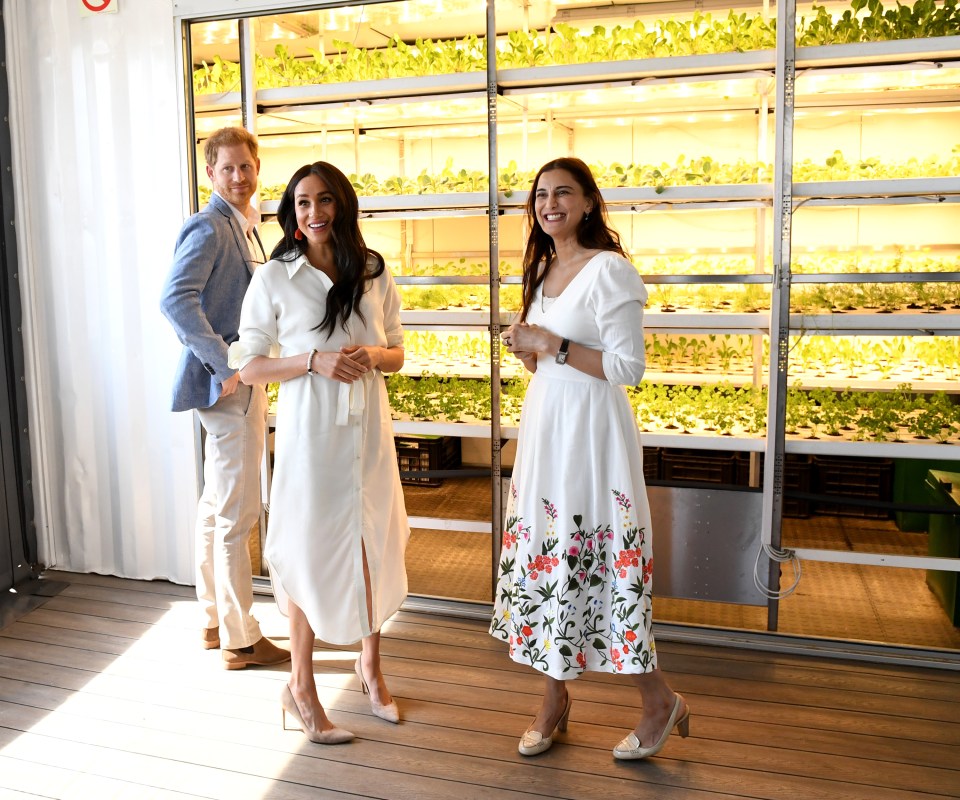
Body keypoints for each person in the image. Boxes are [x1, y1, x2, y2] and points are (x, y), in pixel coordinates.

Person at [489, 157, 690, 760]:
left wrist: (551, 343)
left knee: (597, 558)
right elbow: (553, 355)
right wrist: (529, 350)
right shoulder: (544, 266)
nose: (550, 203)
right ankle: (554, 698)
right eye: (541, 195)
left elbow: (627, 368)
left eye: (563, 193)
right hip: (548, 427)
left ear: (588, 202)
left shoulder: (611, 271)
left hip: (592, 436)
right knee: (549, 558)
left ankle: (659, 702)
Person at [228, 161, 409, 744]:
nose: (313, 214)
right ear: (291, 211)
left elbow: (397, 350)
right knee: (308, 549)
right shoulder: (275, 277)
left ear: (342, 204)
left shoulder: (373, 270)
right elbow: (249, 365)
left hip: (368, 432)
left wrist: (369, 357)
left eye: (324, 201)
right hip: (311, 436)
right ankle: (301, 688)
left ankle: (371, 671)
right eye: (302, 203)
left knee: (372, 542)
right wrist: (313, 361)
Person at [160, 127, 289, 671]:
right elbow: (175, 299)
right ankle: (241, 638)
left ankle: (213, 621)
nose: (239, 177)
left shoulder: (244, 227)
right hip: (230, 387)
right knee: (236, 511)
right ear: (209, 174)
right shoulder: (211, 226)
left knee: (217, 506)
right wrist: (225, 363)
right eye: (227, 169)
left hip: (237, 385)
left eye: (246, 167)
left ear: (258, 168)